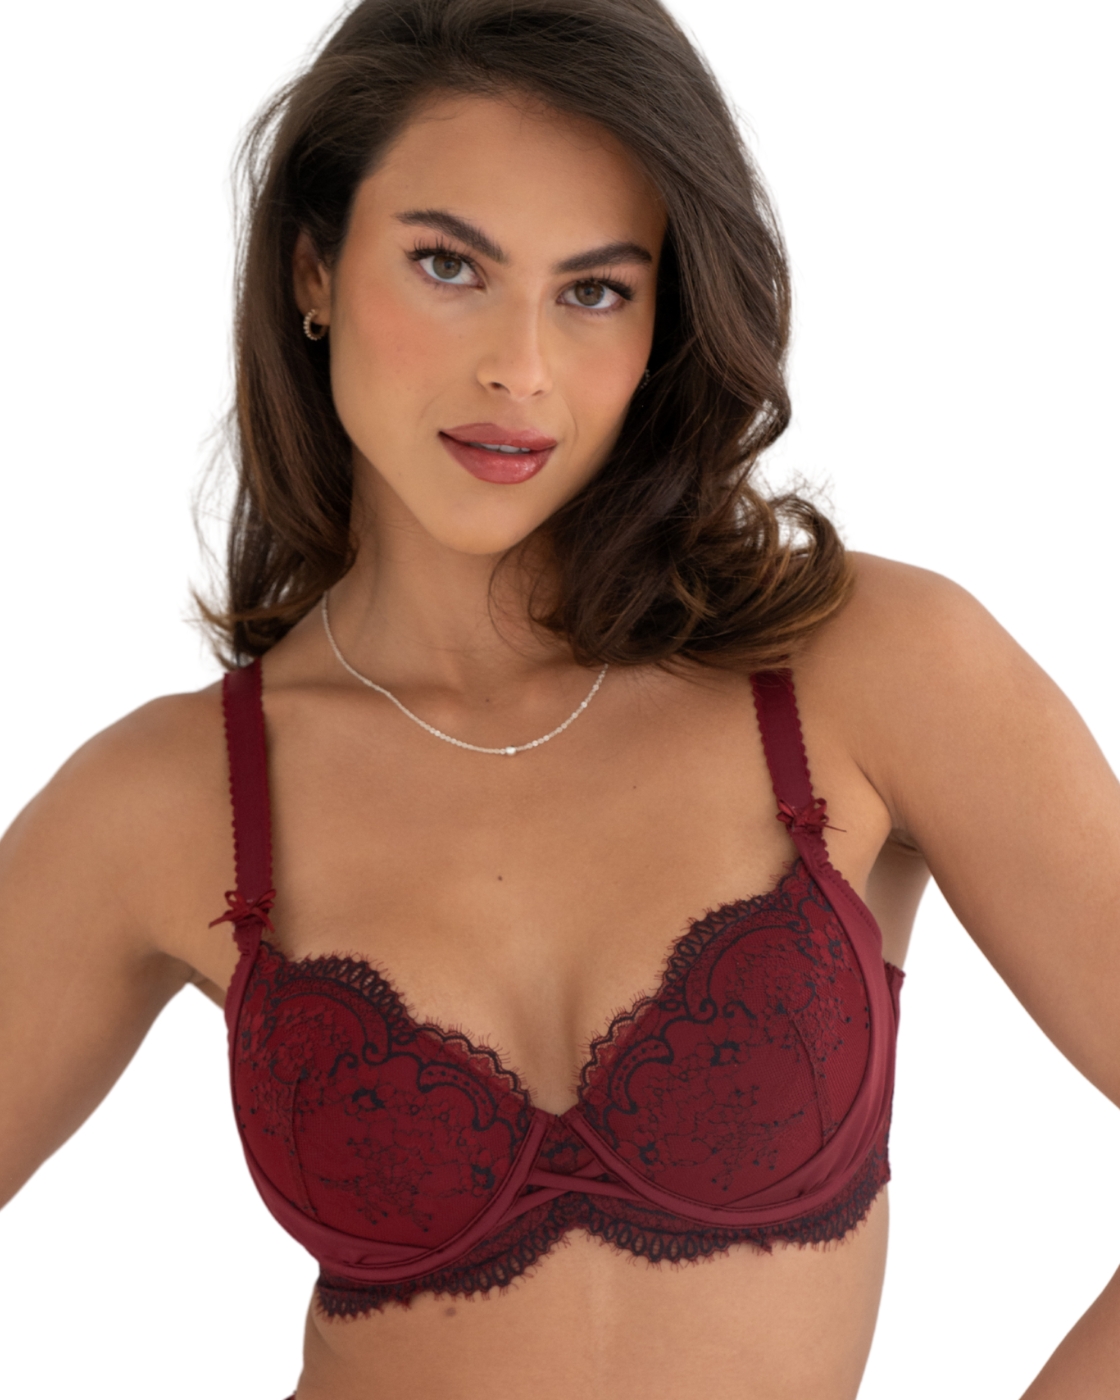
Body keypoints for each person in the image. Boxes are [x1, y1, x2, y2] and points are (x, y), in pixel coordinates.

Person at [1, 0, 1117, 1396]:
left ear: (665, 320)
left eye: (593, 291)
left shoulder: (864, 668)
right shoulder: (169, 800)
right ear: (313, 270)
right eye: (448, 265)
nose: (518, 370)